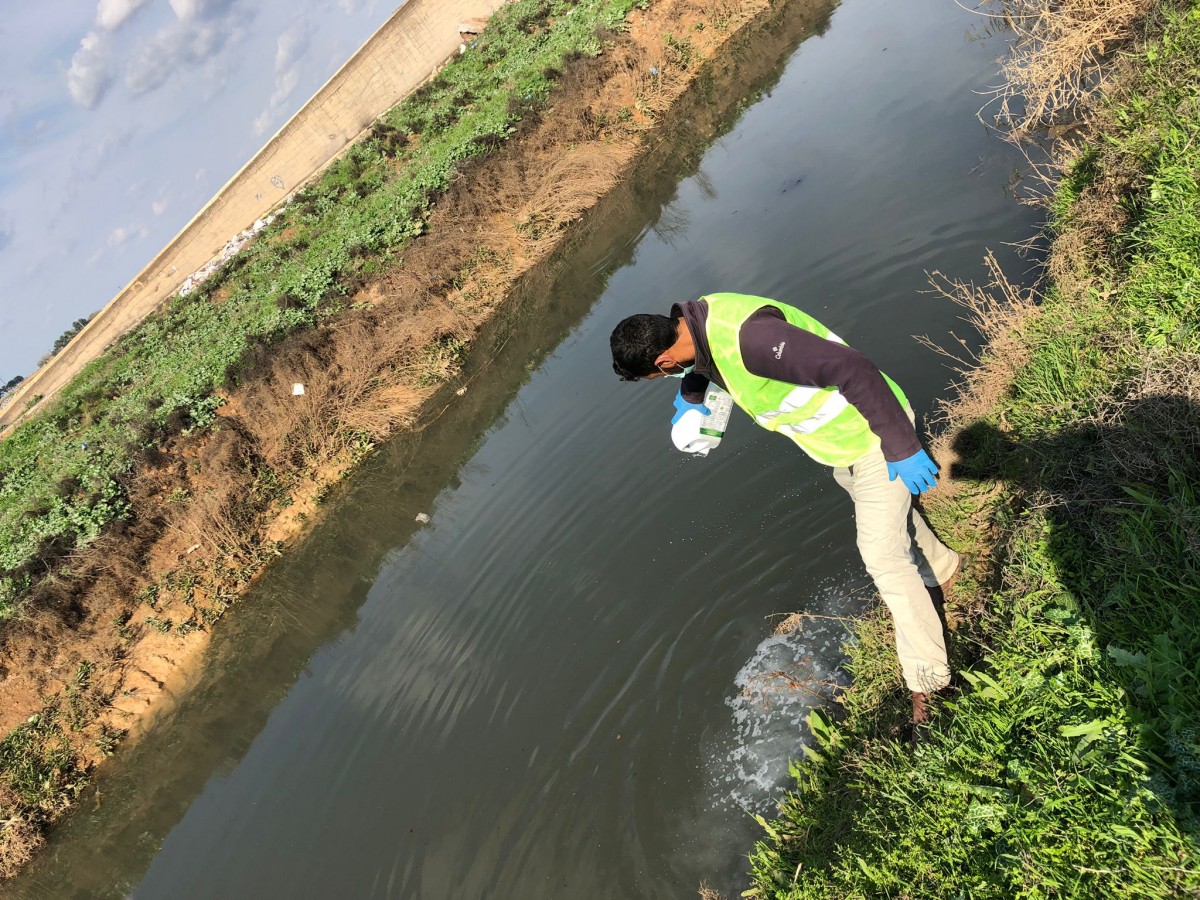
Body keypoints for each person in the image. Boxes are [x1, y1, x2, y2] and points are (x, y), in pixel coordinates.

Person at [609, 293, 961, 724]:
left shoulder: (752, 340)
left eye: (660, 377)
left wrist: (902, 447)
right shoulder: (693, 320)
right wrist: (692, 392)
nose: (670, 378)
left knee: (883, 556)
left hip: (874, 437)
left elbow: (853, 368)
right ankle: (942, 570)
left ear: (663, 362)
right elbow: (702, 356)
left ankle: (930, 684)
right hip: (840, 445)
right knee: (893, 524)